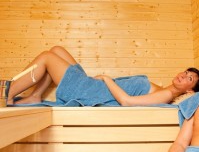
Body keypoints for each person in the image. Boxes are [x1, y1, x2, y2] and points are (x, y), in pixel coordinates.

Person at [6, 46, 199, 106]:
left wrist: (106, 78)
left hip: (92, 93)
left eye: (189, 78)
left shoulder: (166, 96)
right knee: (57, 50)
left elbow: (126, 101)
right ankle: (35, 96)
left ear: (190, 90)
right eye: (185, 72)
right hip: (95, 87)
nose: (183, 75)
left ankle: (5, 93)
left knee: (48, 57)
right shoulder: (163, 89)